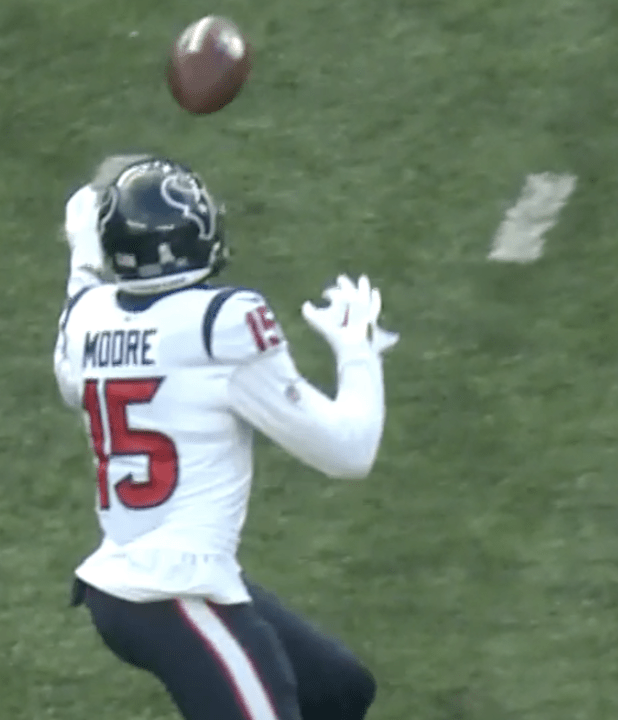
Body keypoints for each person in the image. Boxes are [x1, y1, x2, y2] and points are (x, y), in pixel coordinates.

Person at [53, 154, 399, 720]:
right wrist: (358, 349)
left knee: (336, 693)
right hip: (171, 591)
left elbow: (81, 308)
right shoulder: (223, 323)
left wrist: (84, 246)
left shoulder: (86, 321)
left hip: (134, 585)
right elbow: (349, 452)